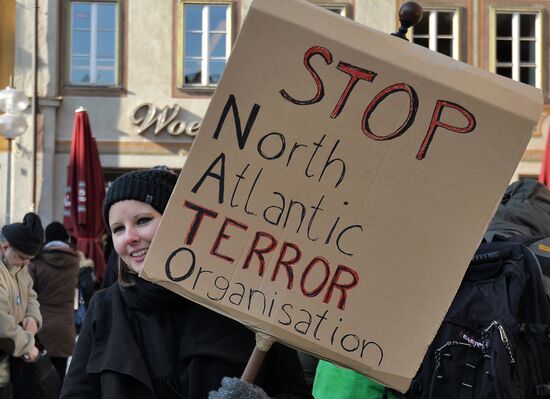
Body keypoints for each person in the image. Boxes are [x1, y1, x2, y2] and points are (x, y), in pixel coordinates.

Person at [61, 167, 312, 399]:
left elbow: (295, 392)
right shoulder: (104, 307)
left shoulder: (244, 300)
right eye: (117, 229)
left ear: (181, 221)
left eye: (143, 221)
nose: (130, 237)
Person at [0, 213, 44, 398]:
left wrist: (32, 318)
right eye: (24, 257)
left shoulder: (20, 267)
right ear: (5, 247)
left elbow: (31, 296)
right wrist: (28, 346)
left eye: (30, 259)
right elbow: (2, 324)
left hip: (11, 365)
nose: (27, 263)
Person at [28, 221, 79, 380]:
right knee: (59, 377)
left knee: (39, 381)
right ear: (66, 238)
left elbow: (29, 293)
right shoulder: (76, 260)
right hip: (65, 327)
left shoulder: (37, 261)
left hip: (40, 327)